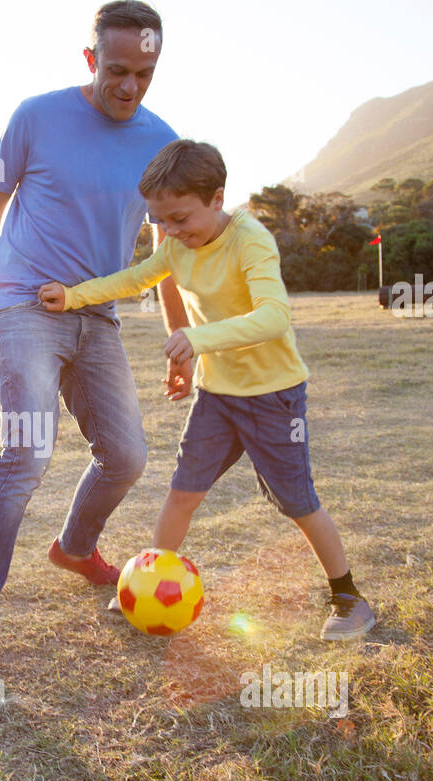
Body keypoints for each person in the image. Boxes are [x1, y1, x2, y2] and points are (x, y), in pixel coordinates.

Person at [39, 139, 376, 640]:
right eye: (161, 223)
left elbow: (274, 316)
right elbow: (135, 279)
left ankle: (350, 600)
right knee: (181, 495)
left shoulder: (250, 239)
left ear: (217, 198)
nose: (170, 234)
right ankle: (152, 587)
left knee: (297, 503)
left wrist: (198, 339)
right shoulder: (176, 245)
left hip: (273, 396)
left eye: (179, 218)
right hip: (217, 396)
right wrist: (72, 297)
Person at [0, 1, 184, 678]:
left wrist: (179, 334)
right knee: (27, 451)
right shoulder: (36, 116)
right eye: (117, 70)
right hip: (21, 302)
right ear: (90, 60)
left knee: (128, 456)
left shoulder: (163, 144)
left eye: (145, 72)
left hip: (96, 313)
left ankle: (76, 548)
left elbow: (167, 244)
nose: (129, 86)